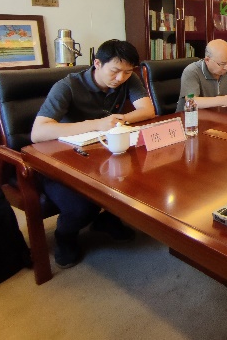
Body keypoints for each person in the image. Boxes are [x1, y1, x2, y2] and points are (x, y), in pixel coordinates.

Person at [31, 39, 156, 268]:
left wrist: (117, 120)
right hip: (64, 158)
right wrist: (97, 124)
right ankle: (64, 237)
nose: (121, 78)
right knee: (82, 207)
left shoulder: (128, 78)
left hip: (102, 152)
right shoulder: (67, 86)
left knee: (147, 177)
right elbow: (38, 132)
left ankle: (107, 219)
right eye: (115, 71)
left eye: (128, 72)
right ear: (97, 63)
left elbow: (147, 110)